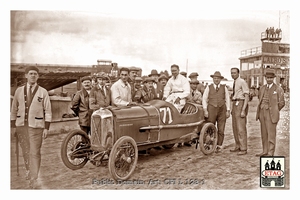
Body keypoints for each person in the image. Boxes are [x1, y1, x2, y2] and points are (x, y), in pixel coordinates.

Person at [10, 66, 52, 189]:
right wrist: (13, 127)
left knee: (35, 152)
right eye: (30, 73)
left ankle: (34, 177)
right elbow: (13, 110)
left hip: (37, 127)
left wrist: (46, 128)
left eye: (35, 74)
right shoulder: (18, 91)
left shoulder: (43, 92)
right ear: (26, 75)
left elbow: (48, 111)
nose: (33, 75)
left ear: (38, 76)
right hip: (21, 127)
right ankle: (29, 170)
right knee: (25, 151)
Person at [255, 69, 285, 157]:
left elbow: (282, 103)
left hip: (271, 114)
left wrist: (275, 110)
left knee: (271, 134)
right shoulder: (262, 88)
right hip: (262, 112)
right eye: (267, 78)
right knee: (264, 133)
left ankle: (270, 152)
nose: (269, 79)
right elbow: (259, 98)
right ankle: (264, 151)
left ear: (273, 78)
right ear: (265, 78)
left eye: (271, 78)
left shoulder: (278, 89)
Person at [202, 71, 230, 153]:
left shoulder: (224, 87)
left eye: (218, 78)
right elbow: (204, 99)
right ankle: (209, 144)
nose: (216, 79)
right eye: (215, 78)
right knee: (210, 127)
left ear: (220, 79)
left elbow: (227, 99)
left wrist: (228, 110)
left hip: (222, 109)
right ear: (213, 79)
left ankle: (219, 145)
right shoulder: (208, 87)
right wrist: (205, 110)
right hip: (211, 108)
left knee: (221, 128)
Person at [230, 67, 250, 155]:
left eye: (234, 73)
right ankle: (238, 146)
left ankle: (243, 148)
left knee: (241, 127)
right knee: (235, 127)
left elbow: (246, 96)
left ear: (238, 73)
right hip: (235, 103)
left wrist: (243, 110)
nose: (233, 74)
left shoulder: (242, 81)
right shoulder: (235, 82)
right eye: (231, 73)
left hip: (241, 103)